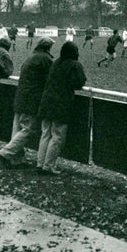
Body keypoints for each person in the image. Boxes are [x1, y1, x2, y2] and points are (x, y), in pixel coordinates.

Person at [0, 36, 55, 169]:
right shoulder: (45, 59)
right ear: (48, 47)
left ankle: (15, 159)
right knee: (28, 129)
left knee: (17, 128)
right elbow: (50, 79)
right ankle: (6, 152)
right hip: (31, 99)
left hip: (20, 96)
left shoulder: (31, 57)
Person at [36, 41, 87, 175]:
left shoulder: (55, 63)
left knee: (45, 134)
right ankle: (48, 166)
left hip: (46, 102)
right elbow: (79, 82)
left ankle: (40, 163)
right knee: (57, 136)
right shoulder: (74, 65)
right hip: (61, 104)